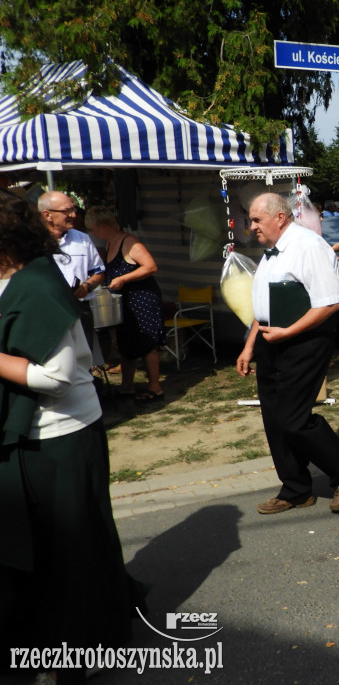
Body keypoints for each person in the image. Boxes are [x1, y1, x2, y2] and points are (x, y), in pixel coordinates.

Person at [0, 197, 142, 681]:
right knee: (46, 546)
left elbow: (56, 376)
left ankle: (85, 646)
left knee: (75, 547)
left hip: (63, 434)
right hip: (27, 433)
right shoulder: (15, 280)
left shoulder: (38, 285)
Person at [236, 193, 339, 515]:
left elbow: (330, 303)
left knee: (292, 418)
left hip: (304, 341)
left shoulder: (308, 245)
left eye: (256, 220)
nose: (251, 227)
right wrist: (250, 345)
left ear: (279, 217)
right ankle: (296, 489)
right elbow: (263, 306)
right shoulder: (270, 253)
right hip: (271, 339)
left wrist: (287, 333)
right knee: (274, 420)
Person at [84, 206, 165, 401]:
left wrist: (124, 279)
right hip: (124, 301)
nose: (92, 233)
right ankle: (126, 386)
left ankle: (155, 387)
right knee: (126, 343)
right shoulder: (109, 245)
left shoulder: (129, 242)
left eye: (93, 229)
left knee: (147, 343)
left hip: (142, 298)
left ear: (104, 226)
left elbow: (151, 266)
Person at [38, 190, 105, 349]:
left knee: (82, 364)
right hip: (45, 311)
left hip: (79, 310)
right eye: (67, 211)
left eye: (73, 210)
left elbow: (99, 271)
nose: (74, 215)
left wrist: (87, 286)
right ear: (47, 215)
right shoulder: (31, 242)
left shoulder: (82, 238)